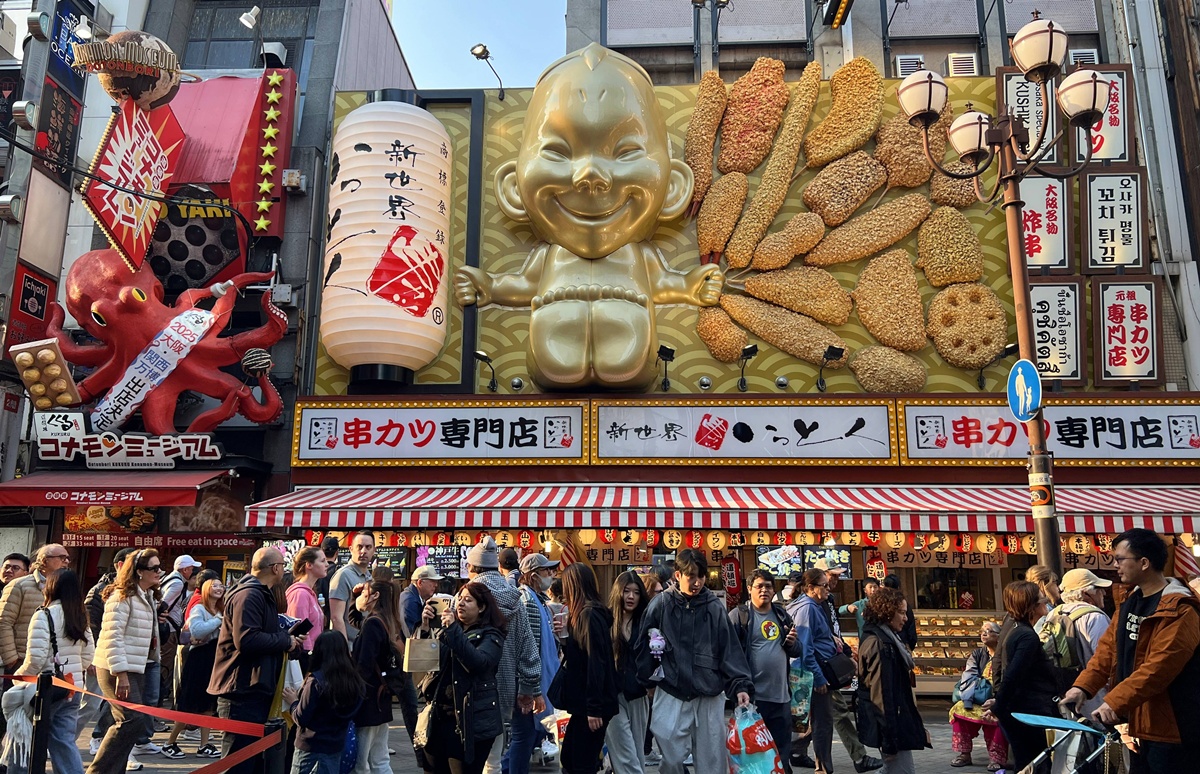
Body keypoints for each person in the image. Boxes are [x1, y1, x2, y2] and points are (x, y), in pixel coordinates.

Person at [1064, 528, 1200, 773]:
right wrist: (1082, 687)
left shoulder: (1180, 609)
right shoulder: (1130, 603)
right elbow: (1106, 651)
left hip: (1174, 726)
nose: (1115, 565)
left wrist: (1114, 703)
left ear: (1144, 562)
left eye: (1120, 559)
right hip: (1139, 723)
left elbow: (1158, 668)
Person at [634, 548, 752, 774]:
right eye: (691, 576)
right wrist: (647, 679)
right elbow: (643, 644)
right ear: (677, 575)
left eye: (701, 576)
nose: (697, 582)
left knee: (712, 760)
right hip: (672, 688)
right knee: (670, 751)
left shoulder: (714, 606)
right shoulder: (661, 604)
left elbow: (730, 649)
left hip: (709, 691)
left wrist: (740, 685)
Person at [209, 547, 304, 774]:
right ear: (275, 568)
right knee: (238, 761)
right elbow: (247, 639)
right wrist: (284, 640)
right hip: (240, 689)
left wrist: (288, 640)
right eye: (283, 565)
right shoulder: (249, 594)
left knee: (252, 761)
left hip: (254, 687)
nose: (284, 569)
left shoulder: (260, 593)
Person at [464, 537, 543, 774]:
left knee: (468, 757)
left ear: (472, 568)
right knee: (494, 760)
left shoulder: (466, 597)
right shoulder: (514, 598)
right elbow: (528, 648)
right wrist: (529, 689)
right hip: (505, 689)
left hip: (469, 688)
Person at [87, 548, 163, 774]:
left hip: (137, 666)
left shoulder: (146, 595)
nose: (160, 572)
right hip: (116, 667)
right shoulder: (121, 596)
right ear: (139, 572)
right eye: (154, 568)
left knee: (126, 721)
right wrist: (120, 674)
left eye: (160, 567)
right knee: (132, 720)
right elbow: (112, 636)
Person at [10, 569, 93, 774]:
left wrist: (18, 678)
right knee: (64, 739)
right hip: (73, 687)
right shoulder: (80, 615)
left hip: (48, 690)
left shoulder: (43, 614)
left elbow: (36, 659)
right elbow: (87, 657)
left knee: (26, 735)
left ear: (51, 587)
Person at [420, 581, 507, 774]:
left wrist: (452, 630)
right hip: (438, 716)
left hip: (470, 720)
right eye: (459, 599)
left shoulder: (491, 635)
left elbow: (478, 662)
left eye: (468, 600)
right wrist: (425, 629)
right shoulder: (448, 631)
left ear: (482, 607)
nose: (460, 604)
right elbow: (422, 664)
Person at [730, 569, 802, 774]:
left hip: (781, 697)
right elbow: (730, 656)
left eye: (768, 586)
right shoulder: (740, 616)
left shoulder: (781, 614)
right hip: (754, 700)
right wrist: (739, 687)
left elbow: (797, 649)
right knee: (756, 756)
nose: (764, 590)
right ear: (749, 589)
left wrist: (792, 644)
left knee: (781, 755)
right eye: (759, 586)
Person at [550, 563, 618, 774]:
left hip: (591, 705)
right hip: (586, 704)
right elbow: (582, 658)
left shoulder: (588, 616)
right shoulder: (585, 615)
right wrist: (566, 641)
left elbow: (595, 663)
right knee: (571, 758)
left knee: (580, 762)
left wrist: (594, 708)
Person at [986, 581, 1057, 773]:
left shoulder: (1016, 631)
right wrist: (998, 706)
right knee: (1034, 764)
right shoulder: (1027, 636)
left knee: (1028, 762)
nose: (1045, 600)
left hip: (1019, 709)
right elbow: (1014, 674)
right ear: (1031, 606)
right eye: (1040, 597)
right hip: (1027, 711)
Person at [855, 587, 928, 774]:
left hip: (896, 722)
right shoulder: (880, 644)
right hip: (892, 725)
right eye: (901, 613)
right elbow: (882, 695)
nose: (906, 618)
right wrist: (889, 739)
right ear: (887, 612)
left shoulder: (886, 637)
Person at [821, 566, 881, 773]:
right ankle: (859, 757)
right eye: (832, 575)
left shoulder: (826, 599)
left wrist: (845, 651)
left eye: (838, 575)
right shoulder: (812, 603)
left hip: (829, 662)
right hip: (821, 666)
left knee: (817, 714)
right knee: (837, 712)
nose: (836, 579)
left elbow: (833, 628)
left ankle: (796, 750)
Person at [505, 554, 560, 774]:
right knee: (524, 736)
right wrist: (532, 688)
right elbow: (530, 649)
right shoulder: (528, 602)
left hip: (531, 682)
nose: (552, 575)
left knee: (529, 735)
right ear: (534, 576)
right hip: (527, 683)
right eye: (547, 572)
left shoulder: (538, 600)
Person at [162, 578, 225, 759]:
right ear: (206, 589)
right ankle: (170, 742)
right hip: (199, 660)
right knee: (189, 704)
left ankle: (204, 745)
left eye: (221, 586)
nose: (219, 588)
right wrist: (218, 620)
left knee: (208, 704)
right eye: (215, 585)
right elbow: (197, 631)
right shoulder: (199, 608)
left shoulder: (221, 610)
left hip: (215, 659)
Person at [79, 547, 134, 753]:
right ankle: (62, 739)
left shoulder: (135, 590)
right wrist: (92, 656)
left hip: (123, 657)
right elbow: (90, 624)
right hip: (102, 656)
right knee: (89, 705)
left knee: (117, 706)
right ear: (120, 565)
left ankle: (103, 740)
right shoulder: (100, 590)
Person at [290, 631, 364, 774]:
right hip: (335, 746)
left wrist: (293, 702)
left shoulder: (315, 682)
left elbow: (301, 717)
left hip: (310, 746)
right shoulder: (355, 682)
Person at [788, 570, 839, 774]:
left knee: (809, 720)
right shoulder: (807, 608)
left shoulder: (810, 606)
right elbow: (805, 648)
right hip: (811, 674)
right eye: (824, 585)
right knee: (822, 722)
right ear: (810, 588)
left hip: (809, 672)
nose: (828, 589)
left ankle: (797, 751)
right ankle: (823, 768)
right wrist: (818, 678)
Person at [1042, 568, 1111, 711]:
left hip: (1064, 694)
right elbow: (1107, 659)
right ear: (1086, 593)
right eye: (1099, 589)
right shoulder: (1095, 617)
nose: (1104, 593)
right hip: (1094, 696)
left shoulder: (1054, 613)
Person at [0, 544, 71, 674]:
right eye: (61, 557)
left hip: (55, 662)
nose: (66, 561)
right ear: (44, 560)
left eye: (67, 558)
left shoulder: (67, 589)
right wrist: (11, 658)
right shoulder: (18, 585)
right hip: (23, 660)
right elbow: (4, 622)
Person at [605, 571, 649, 774]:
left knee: (637, 753)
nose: (631, 596)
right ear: (618, 592)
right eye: (626, 591)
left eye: (636, 592)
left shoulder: (646, 622)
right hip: (611, 696)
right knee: (625, 753)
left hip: (639, 695)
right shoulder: (606, 621)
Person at [948, 622, 1007, 771]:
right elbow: (969, 678)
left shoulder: (1005, 654)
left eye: (989, 630)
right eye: (982, 631)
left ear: (999, 636)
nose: (984, 633)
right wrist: (975, 697)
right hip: (977, 697)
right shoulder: (978, 654)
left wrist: (997, 698)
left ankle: (996, 758)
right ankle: (964, 754)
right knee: (959, 710)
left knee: (996, 714)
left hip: (998, 697)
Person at [158, 554, 202, 712]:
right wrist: (162, 615)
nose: (192, 571)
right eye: (190, 568)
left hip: (168, 629)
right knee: (164, 668)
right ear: (184, 570)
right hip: (169, 631)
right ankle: (157, 708)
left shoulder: (170, 579)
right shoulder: (177, 583)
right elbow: (162, 604)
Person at [286, 546, 330, 670]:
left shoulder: (309, 593)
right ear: (309, 565)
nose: (327, 564)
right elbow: (299, 632)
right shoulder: (300, 594)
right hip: (304, 660)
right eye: (322, 561)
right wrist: (309, 660)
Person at [329, 532, 375, 646]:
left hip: (365, 644)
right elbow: (336, 617)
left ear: (374, 550)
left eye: (368, 547)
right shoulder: (343, 575)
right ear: (351, 549)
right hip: (350, 646)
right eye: (359, 547)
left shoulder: (370, 577)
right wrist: (344, 650)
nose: (363, 551)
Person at [881, 576, 917, 649]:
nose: (905, 618)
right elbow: (911, 630)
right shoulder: (903, 604)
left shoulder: (880, 605)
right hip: (901, 643)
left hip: (885, 645)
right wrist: (910, 645)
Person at [314, 536, 342, 629]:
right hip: (333, 619)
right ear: (337, 553)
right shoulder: (340, 573)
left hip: (316, 618)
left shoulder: (314, 571)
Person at [1026, 565, 1062, 633]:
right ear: (1045, 584)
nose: (1058, 587)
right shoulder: (1045, 609)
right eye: (1055, 582)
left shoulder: (1029, 605)